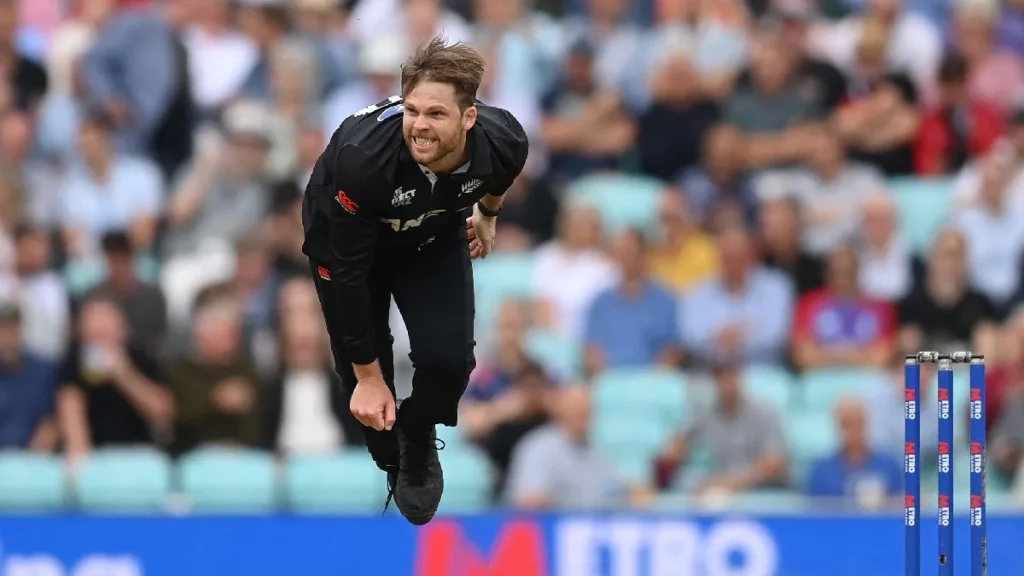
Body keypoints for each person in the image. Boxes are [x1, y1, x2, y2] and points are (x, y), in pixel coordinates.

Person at [301, 36, 529, 525]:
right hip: (345, 245)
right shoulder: (363, 160)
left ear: (470, 117)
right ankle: (393, 456)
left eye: (436, 115)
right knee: (371, 401)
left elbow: (501, 175)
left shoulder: (504, 140)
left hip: (430, 232)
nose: (420, 127)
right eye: (412, 111)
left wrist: (487, 213)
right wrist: (366, 376)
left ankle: (421, 432)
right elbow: (348, 273)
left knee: (449, 365)